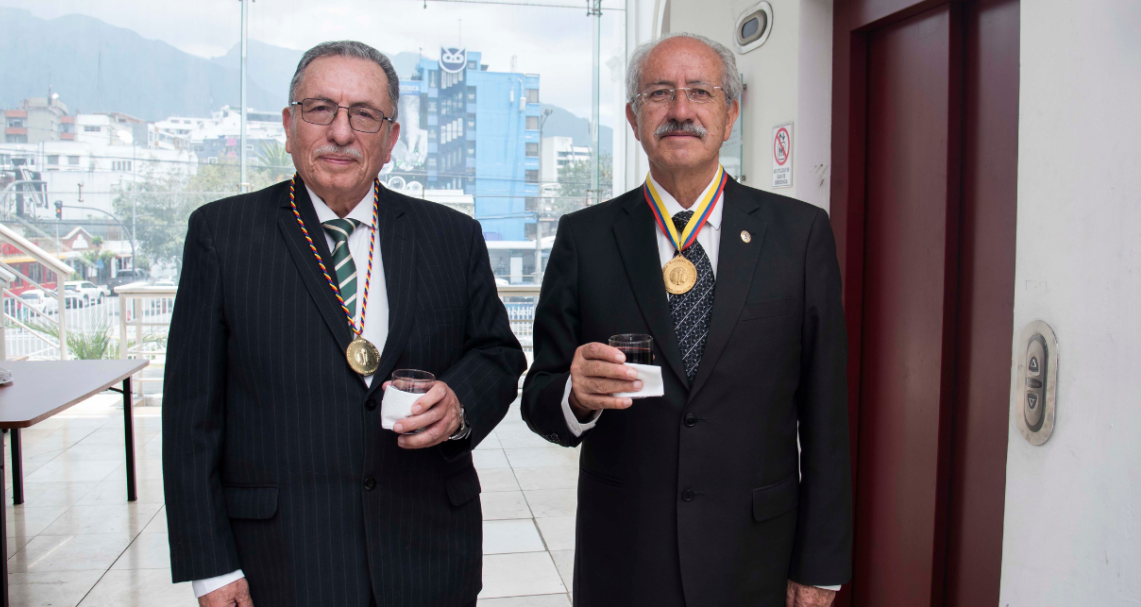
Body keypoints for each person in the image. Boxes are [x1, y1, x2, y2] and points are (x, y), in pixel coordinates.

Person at [163, 40, 527, 607]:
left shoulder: (452, 237)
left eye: (364, 114)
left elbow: (498, 354)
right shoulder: (222, 235)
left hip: (428, 553)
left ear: (391, 138)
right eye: (320, 109)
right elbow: (190, 418)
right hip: (284, 559)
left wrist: (459, 403)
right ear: (289, 125)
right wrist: (210, 567)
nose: (340, 132)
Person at [521, 33, 852, 606]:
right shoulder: (585, 239)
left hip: (757, 555)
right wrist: (575, 397)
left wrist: (820, 565)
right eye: (659, 93)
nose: (680, 110)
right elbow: (538, 396)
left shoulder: (799, 235)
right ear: (633, 118)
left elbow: (827, 416)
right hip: (625, 555)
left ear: (731, 114)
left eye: (700, 92)